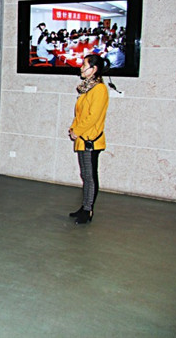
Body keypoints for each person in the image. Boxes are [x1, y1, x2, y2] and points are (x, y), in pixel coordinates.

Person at [68, 55, 110, 225]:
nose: (81, 68)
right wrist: (73, 128)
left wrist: (77, 131)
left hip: (90, 139)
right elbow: (80, 114)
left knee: (90, 176)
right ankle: (84, 206)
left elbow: (93, 117)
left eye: (84, 65)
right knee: (85, 174)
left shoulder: (99, 89)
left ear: (94, 69)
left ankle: (88, 210)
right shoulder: (88, 89)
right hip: (82, 138)